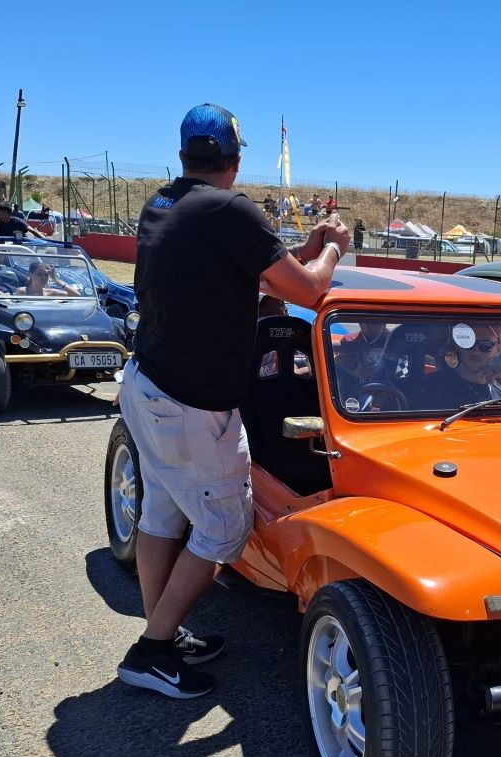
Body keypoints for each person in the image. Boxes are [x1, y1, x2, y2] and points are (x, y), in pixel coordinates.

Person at [116, 102, 349, 699]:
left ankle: (162, 634)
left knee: (163, 513)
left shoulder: (163, 204)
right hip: (192, 404)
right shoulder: (230, 209)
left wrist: (297, 247)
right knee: (224, 529)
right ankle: (150, 652)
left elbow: (235, 265)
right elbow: (311, 291)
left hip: (148, 384)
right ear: (236, 162)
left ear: (183, 155)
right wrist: (331, 249)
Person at [432, 323, 501, 408]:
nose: (476, 351)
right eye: (468, 343)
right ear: (457, 345)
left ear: (498, 350)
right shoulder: (434, 386)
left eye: (485, 346)